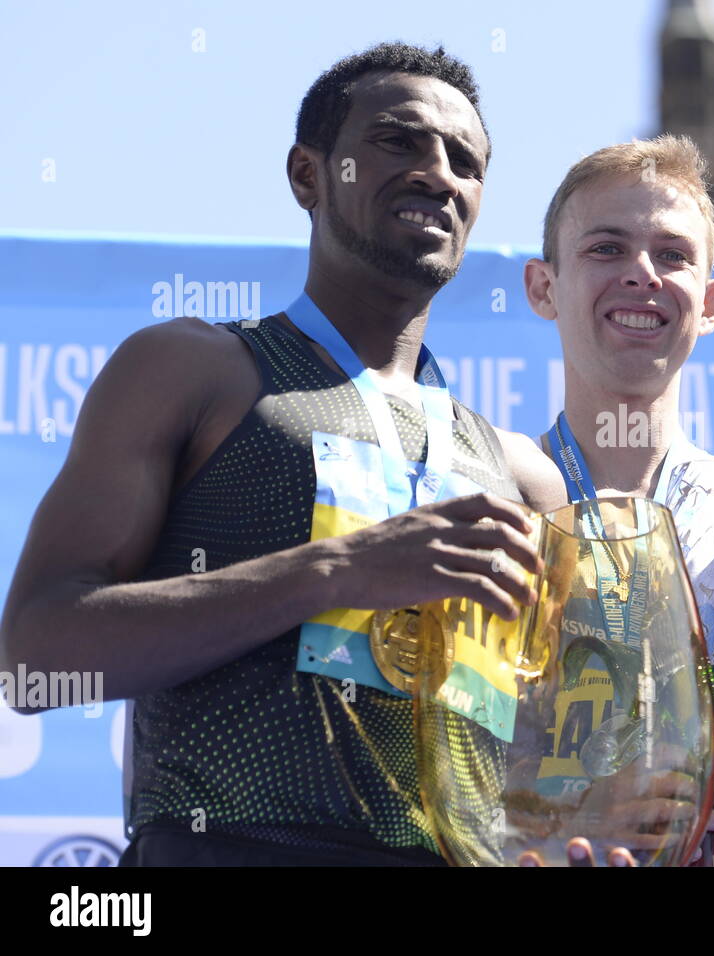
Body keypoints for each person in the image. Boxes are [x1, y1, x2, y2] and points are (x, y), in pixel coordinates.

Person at [0, 41, 570, 866]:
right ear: (309, 175)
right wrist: (337, 572)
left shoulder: (521, 475)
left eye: (465, 161)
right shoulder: (193, 370)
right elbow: (35, 659)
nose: (439, 173)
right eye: (399, 141)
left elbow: (548, 758)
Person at [522, 135, 714, 866]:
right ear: (543, 287)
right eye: (606, 249)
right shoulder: (489, 495)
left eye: (672, 255)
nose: (642, 274)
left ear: (711, 303)